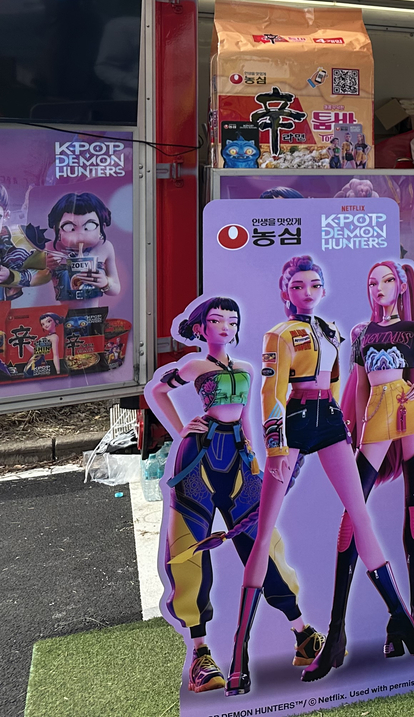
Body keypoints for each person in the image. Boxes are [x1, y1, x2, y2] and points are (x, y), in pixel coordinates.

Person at [226, 255, 414, 697]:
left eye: (314, 284)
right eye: (298, 285)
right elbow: (272, 392)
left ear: (323, 289)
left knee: (360, 517)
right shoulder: (279, 335)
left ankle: (400, 618)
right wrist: (278, 445)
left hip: (332, 425)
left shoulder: (332, 331)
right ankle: (238, 655)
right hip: (296, 422)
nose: (307, 291)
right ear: (286, 291)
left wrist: (349, 427)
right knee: (263, 534)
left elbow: (340, 387)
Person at [145, 297, 319, 693]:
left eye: (231, 320)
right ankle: (201, 654)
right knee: (188, 547)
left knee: (263, 542)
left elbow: (246, 417)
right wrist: (179, 431)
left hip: (240, 460)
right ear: (202, 328)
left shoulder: (246, 368)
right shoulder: (193, 366)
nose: (225, 326)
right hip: (197, 460)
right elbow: (156, 391)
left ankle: (303, 634)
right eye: (216, 320)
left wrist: (256, 460)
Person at [304, 261, 414, 680]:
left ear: (400, 286)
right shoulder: (360, 333)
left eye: (387, 280)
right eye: (373, 281)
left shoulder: (409, 330)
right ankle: (338, 633)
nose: (380, 287)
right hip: (377, 417)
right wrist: (351, 428)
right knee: (353, 513)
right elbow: (358, 384)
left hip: (411, 411)